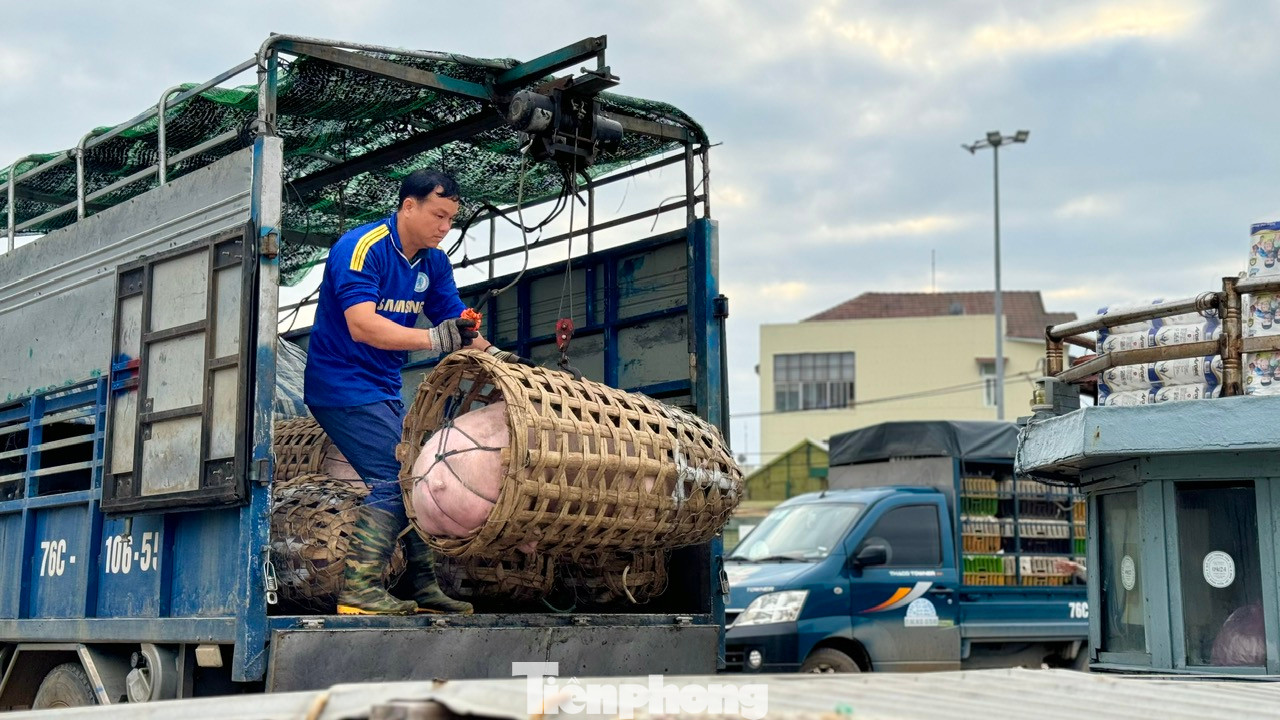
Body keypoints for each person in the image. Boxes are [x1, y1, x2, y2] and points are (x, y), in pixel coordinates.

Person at [303, 168, 520, 615]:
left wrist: (501, 359)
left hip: (383, 387)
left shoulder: (435, 263)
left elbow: (458, 327)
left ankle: (424, 588)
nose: (444, 228)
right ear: (408, 206)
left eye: (451, 221)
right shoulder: (361, 248)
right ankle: (358, 590)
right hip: (340, 384)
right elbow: (362, 326)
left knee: (415, 475)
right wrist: (431, 340)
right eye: (438, 216)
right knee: (396, 479)